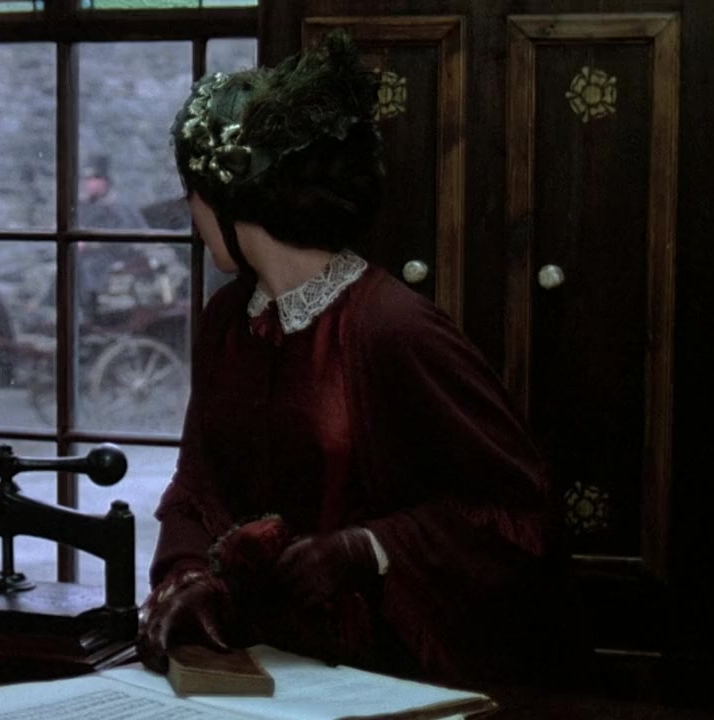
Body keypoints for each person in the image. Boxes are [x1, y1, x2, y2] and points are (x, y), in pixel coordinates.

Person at [136, 31, 592, 690]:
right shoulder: (228, 320)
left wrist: (367, 549)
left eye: (193, 192)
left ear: (228, 196)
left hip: (381, 673)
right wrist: (188, 576)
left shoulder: (390, 327)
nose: (190, 212)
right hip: (252, 666)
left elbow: (517, 512)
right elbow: (196, 487)